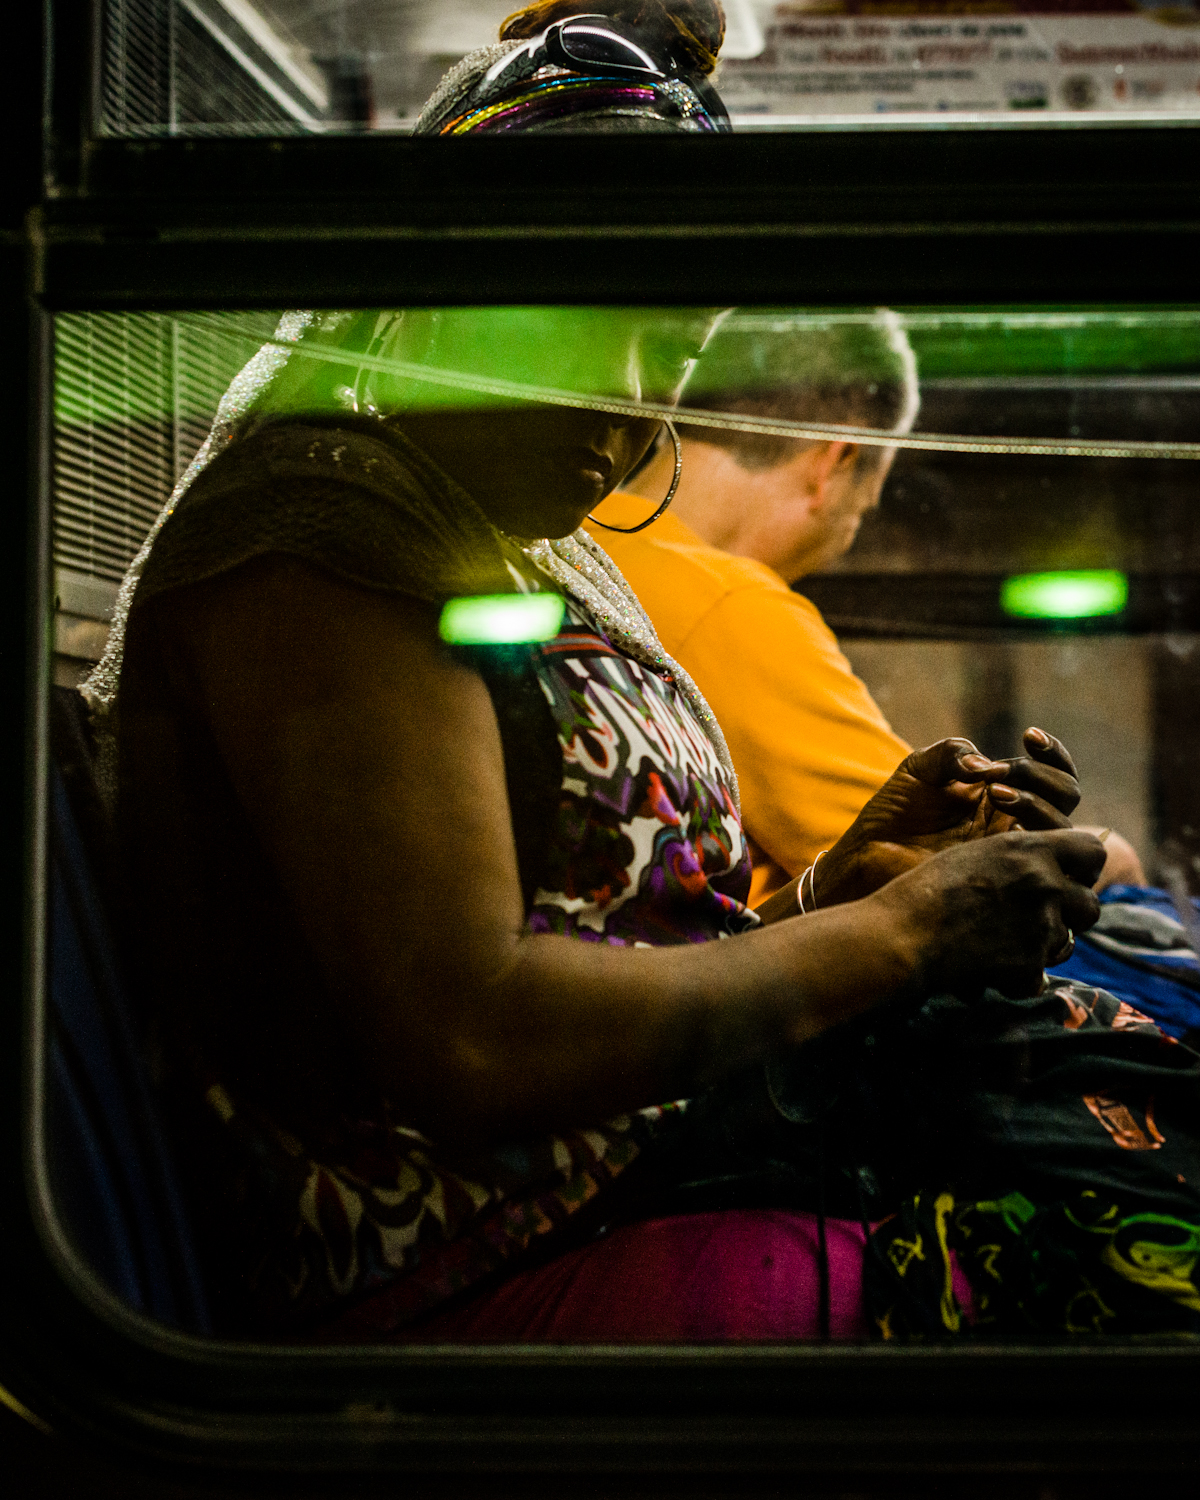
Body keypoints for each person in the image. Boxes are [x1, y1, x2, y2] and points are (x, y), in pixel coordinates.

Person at [79, 1, 1199, 1345]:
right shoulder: (316, 561)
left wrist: (839, 881)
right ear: (433, 285)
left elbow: (610, 937)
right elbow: (477, 1037)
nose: (626, 403)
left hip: (648, 1167)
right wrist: (902, 934)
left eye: (667, 352)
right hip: (484, 1264)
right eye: (571, 321)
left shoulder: (505, 543)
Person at [588, 310, 1148, 900]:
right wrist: (1115, 853)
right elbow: (942, 863)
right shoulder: (733, 603)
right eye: (862, 512)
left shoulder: (582, 555)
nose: (835, 552)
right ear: (837, 461)